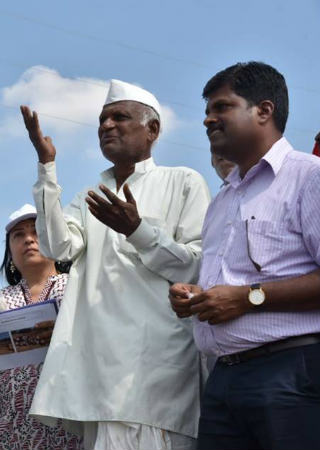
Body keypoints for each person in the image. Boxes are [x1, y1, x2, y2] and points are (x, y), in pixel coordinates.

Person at [21, 79, 211, 450]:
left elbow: (197, 266)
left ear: (152, 129)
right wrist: (47, 166)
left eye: (120, 117)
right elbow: (57, 247)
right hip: (97, 375)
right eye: (102, 120)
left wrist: (138, 231)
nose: (106, 126)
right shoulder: (90, 197)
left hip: (156, 372)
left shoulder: (183, 182)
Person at [169, 62, 320, 450]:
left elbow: (245, 292)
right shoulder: (223, 199)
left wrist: (248, 298)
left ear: (264, 111)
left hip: (292, 372)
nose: (208, 119)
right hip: (224, 378)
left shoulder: (309, 176)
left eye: (222, 107)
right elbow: (232, 285)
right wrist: (198, 296)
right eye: (207, 110)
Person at [0, 205, 82, 450]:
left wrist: (66, 336)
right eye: (18, 235)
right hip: (10, 432)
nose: (28, 239)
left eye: (37, 231)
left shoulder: (78, 288)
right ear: (10, 253)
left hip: (69, 428)